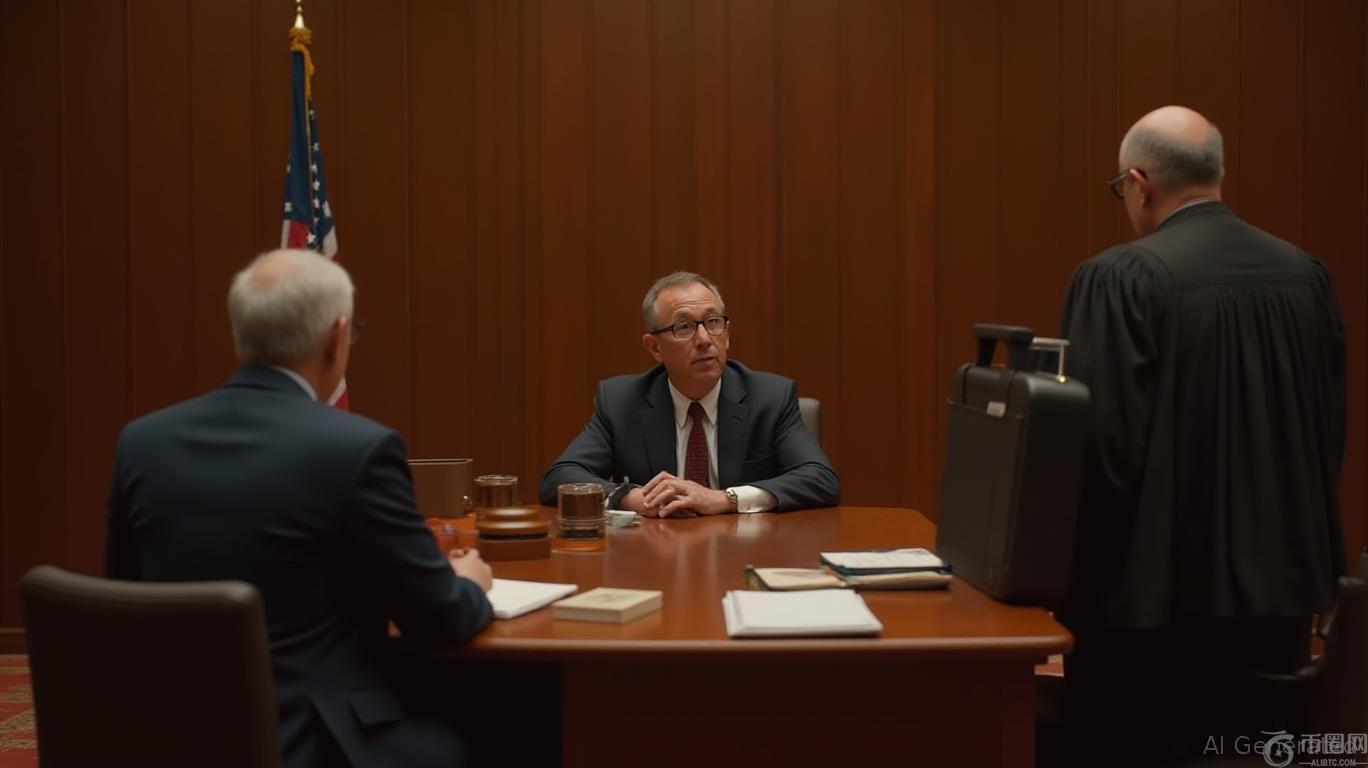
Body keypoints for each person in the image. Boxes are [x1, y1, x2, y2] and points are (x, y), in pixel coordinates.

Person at [105, 249, 495, 768]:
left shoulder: (142, 442)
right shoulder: (358, 449)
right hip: (313, 741)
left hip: (170, 735)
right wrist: (470, 583)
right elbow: (440, 620)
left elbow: (123, 598)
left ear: (240, 334)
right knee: (501, 725)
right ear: (337, 337)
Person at [1050, 106, 1346, 764]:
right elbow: (1327, 431)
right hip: (1282, 601)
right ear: (1218, 173)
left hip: (1148, 612)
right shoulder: (1305, 274)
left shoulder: (1119, 278)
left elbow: (1102, 452)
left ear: (1138, 183)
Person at [539, 271, 840, 517]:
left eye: (713, 322)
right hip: (654, 556)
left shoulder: (770, 397)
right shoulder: (621, 401)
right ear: (654, 348)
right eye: (683, 327)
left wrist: (724, 499)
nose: (704, 339)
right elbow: (560, 477)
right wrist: (630, 497)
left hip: (745, 553)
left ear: (727, 334)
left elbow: (820, 479)